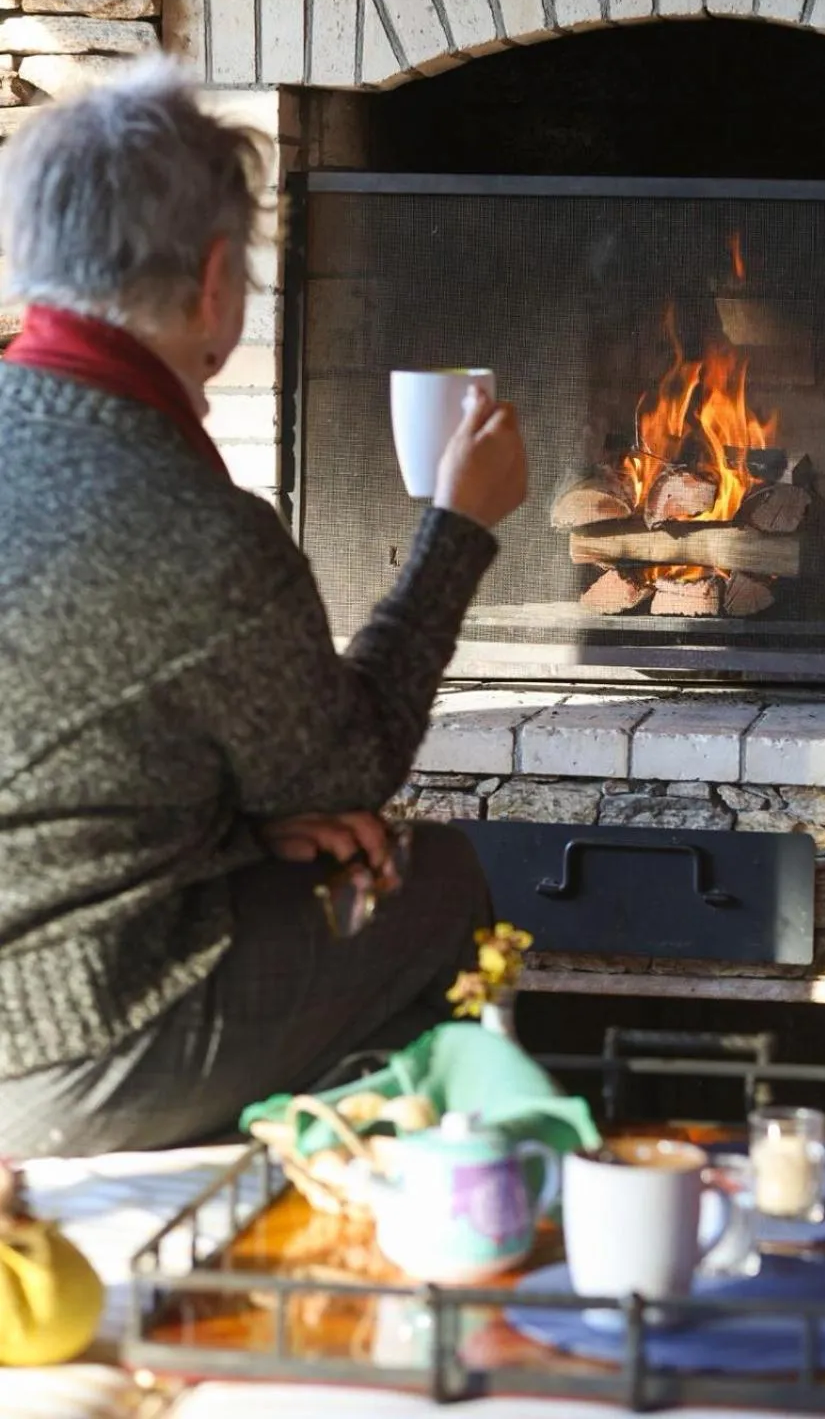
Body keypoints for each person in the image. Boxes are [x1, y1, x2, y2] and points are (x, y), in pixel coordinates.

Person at [0, 58, 527, 1157]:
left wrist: (247, 824)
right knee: (433, 879)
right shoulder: (194, 529)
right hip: (58, 1052)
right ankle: (380, 1219)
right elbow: (352, 768)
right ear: (214, 283)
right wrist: (457, 527)